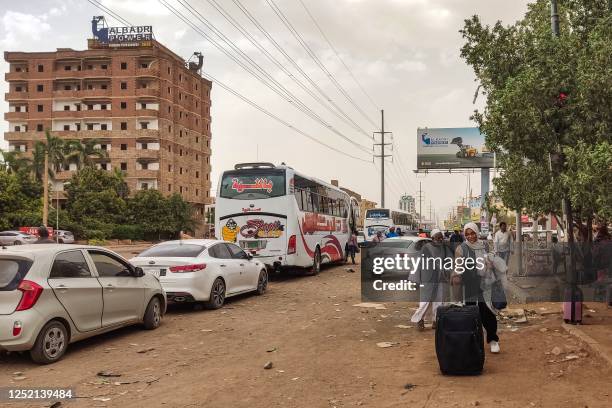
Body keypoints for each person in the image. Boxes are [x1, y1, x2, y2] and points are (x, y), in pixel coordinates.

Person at [451, 222, 500, 354]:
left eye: (472, 233)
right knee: (470, 312)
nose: (470, 236)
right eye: (467, 234)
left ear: (477, 232)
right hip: (470, 283)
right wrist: (456, 279)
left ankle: (493, 339)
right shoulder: (461, 248)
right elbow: (458, 268)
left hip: (486, 281)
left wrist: (491, 263)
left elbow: (493, 257)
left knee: (487, 311)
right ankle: (472, 341)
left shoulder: (485, 245)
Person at [411, 229, 452, 330]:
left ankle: (435, 321)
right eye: (438, 238)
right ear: (432, 238)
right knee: (425, 301)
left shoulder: (444, 248)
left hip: (440, 277)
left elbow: (450, 260)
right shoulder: (426, 248)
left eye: (441, 237)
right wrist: (416, 278)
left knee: (438, 301)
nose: (440, 239)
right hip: (427, 278)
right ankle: (419, 319)